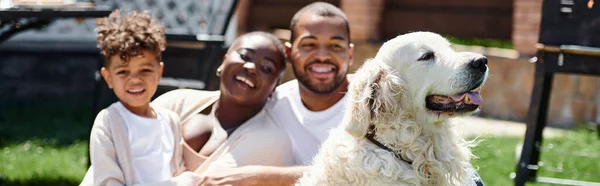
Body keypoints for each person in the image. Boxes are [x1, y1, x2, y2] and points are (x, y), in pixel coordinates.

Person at [197, 2, 485, 186]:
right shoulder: (272, 104)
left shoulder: (368, 93)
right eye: (309, 45)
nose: (322, 56)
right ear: (290, 51)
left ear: (350, 54)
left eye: (335, 46)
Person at [80, 10, 201, 185]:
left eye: (145, 70)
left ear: (159, 72)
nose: (135, 80)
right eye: (123, 72)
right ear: (108, 78)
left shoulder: (170, 121)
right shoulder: (109, 123)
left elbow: (176, 171)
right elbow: (107, 180)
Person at [151, 31, 294, 179]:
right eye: (244, 56)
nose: (251, 67)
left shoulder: (271, 141)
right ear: (224, 61)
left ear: (274, 87)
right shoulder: (177, 102)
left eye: (267, 68)